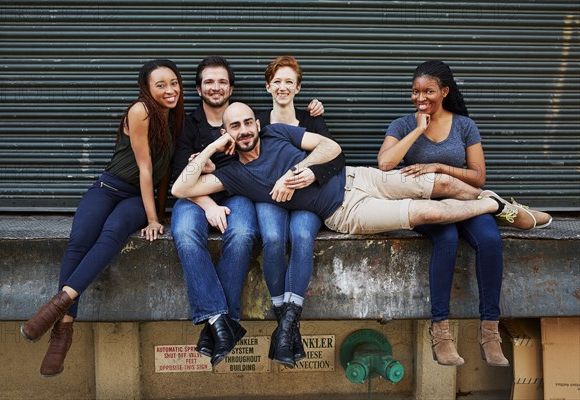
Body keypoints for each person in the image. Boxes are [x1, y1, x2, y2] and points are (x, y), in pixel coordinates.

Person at [171, 102, 544, 364]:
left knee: (440, 182)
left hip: (357, 177)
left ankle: (503, 205)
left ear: (257, 122)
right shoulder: (233, 173)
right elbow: (181, 189)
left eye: (248, 122)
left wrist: (306, 170)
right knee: (426, 212)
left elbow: (331, 147)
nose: (246, 130)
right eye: (235, 127)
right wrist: (214, 146)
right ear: (228, 133)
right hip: (347, 212)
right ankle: (494, 206)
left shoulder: (277, 133)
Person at [377, 60, 552, 368]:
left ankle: (489, 331)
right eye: (415, 91)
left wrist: (440, 167)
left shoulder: (464, 126)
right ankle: (441, 332)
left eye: (428, 91)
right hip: (429, 206)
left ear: (444, 91)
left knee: (489, 239)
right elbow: (385, 164)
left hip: (466, 202)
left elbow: (478, 176)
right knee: (445, 239)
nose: (421, 98)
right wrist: (419, 129)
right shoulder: (403, 125)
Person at [21, 59, 184, 376]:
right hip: (108, 187)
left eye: (174, 82)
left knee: (112, 233)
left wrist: (156, 215)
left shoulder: (178, 121)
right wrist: (154, 218)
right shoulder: (140, 111)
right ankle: (63, 330)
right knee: (79, 240)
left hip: (138, 199)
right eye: (161, 84)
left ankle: (55, 308)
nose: (170, 89)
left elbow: (162, 175)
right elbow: (145, 167)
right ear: (147, 90)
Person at [169, 56, 326, 367]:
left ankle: (219, 327)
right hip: (197, 198)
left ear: (231, 87)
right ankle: (219, 319)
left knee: (242, 233)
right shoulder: (189, 124)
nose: (216, 87)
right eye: (209, 82)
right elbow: (181, 178)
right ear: (199, 89)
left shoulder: (248, 119)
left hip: (238, 195)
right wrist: (208, 203)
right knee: (186, 233)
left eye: (222, 81)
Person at [257, 56, 345, 367]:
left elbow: (335, 160)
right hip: (270, 198)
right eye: (277, 81)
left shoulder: (312, 121)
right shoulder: (257, 123)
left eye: (288, 82)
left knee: (302, 236)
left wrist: (310, 175)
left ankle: (285, 329)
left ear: (298, 87)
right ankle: (288, 328)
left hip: (308, 201)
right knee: (271, 238)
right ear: (268, 86)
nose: (283, 87)